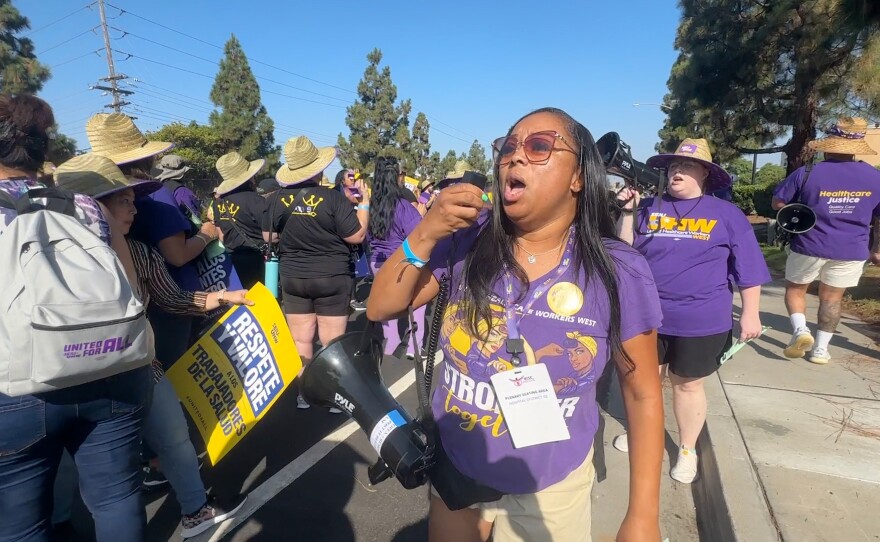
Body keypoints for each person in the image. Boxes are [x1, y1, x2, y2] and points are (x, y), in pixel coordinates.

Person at [368, 107, 664, 542]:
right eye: (507, 148)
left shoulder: (619, 270)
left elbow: (641, 394)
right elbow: (380, 307)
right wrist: (426, 232)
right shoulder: (469, 241)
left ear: (578, 177)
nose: (514, 157)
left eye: (539, 146)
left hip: (550, 483)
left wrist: (643, 515)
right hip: (458, 467)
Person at [54, 154, 251, 537]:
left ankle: (196, 510)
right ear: (90, 206)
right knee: (70, 467)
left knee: (173, 438)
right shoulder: (44, 255)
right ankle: (59, 523)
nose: (133, 208)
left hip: (140, 368)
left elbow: (173, 298)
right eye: (122, 201)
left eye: (132, 199)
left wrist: (223, 298)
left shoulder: (141, 252)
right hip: (63, 379)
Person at [0, 95, 152, 542]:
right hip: (113, 364)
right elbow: (130, 286)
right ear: (43, 149)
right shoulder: (84, 206)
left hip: (19, 383)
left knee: (21, 521)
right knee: (117, 499)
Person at [615, 138, 770, 484]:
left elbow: (749, 268)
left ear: (705, 175)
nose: (676, 172)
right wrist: (627, 213)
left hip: (701, 319)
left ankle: (687, 449)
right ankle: (645, 432)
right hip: (646, 316)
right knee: (645, 380)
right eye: (672, 167)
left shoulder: (726, 214)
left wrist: (751, 313)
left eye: (686, 166)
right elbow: (624, 252)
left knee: (686, 386)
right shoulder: (647, 207)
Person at [85, 113, 221, 489]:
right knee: (167, 394)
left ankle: (147, 461)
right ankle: (170, 468)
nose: (131, 208)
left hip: (82, 355)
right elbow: (177, 258)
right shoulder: (156, 201)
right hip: (159, 313)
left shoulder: (67, 231)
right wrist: (207, 234)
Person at [263, 136, 369, 411]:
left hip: (294, 277)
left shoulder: (276, 199)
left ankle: (305, 394)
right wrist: (364, 205)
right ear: (318, 169)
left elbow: (268, 235)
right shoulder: (332, 198)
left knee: (301, 340)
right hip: (332, 277)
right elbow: (356, 235)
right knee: (332, 341)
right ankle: (335, 397)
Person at [772, 117, 880, 364]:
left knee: (796, 289)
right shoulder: (874, 177)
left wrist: (795, 212)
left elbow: (778, 203)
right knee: (832, 298)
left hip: (809, 244)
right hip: (852, 248)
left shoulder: (807, 173)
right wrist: (876, 249)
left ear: (829, 145)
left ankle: (800, 331)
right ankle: (820, 350)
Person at [368, 156, 425, 358]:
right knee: (417, 302)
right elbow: (419, 235)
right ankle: (414, 346)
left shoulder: (371, 205)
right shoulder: (403, 207)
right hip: (401, 263)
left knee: (387, 307)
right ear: (397, 177)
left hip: (377, 262)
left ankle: (390, 344)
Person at [213, 151, 268, 289]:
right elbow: (269, 232)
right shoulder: (256, 200)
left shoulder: (218, 202)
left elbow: (221, 233)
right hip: (256, 260)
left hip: (230, 259)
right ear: (250, 178)